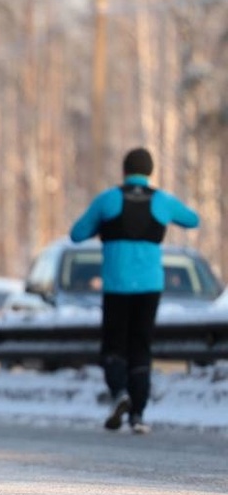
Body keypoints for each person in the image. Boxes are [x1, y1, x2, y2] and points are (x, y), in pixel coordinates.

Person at [69, 147, 199, 435]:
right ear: (150, 172)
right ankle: (138, 413)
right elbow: (193, 220)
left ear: (124, 171)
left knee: (114, 345)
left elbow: (77, 234)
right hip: (150, 286)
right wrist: (164, 213)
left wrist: (103, 224)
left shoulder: (108, 199)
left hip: (116, 284)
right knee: (141, 345)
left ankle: (119, 393)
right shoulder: (161, 200)